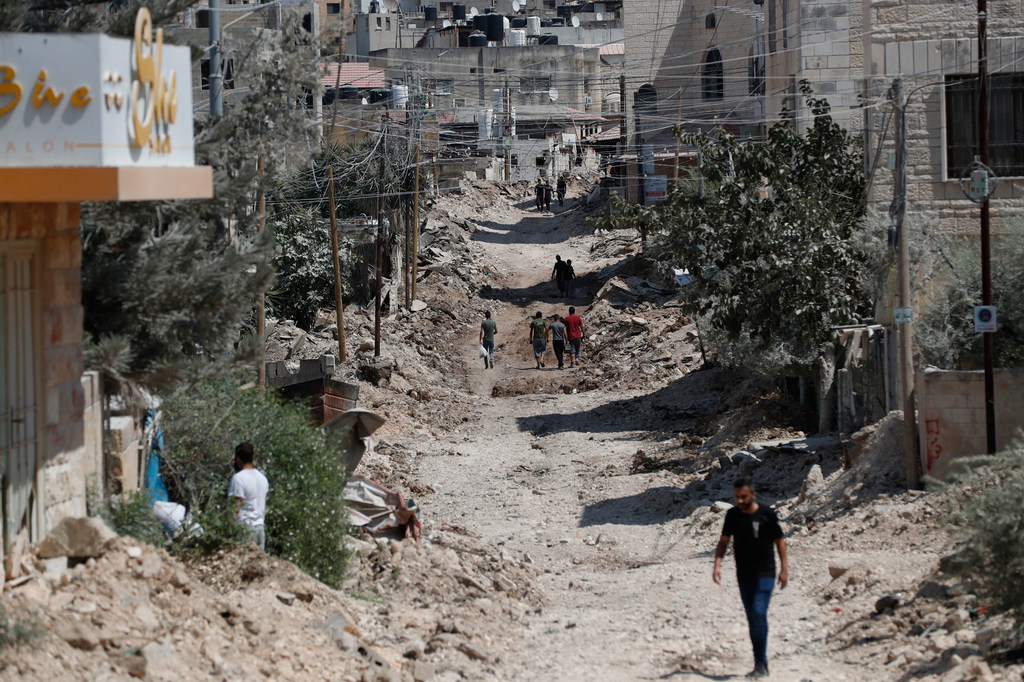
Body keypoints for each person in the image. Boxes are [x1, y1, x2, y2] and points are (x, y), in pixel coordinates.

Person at [712, 478, 789, 678]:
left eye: (743, 496)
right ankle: (759, 661)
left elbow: (780, 542)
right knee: (752, 618)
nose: (740, 500)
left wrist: (784, 569)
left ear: (753, 495)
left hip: (766, 572)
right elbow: (723, 542)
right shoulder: (733, 516)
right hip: (744, 574)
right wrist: (717, 565)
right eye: (737, 497)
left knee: (758, 611)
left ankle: (762, 662)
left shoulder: (766, 514)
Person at [228, 442, 270, 551]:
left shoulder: (238, 478)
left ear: (237, 458)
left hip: (244, 528)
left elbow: (235, 506)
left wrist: (228, 529)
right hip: (260, 527)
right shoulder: (263, 478)